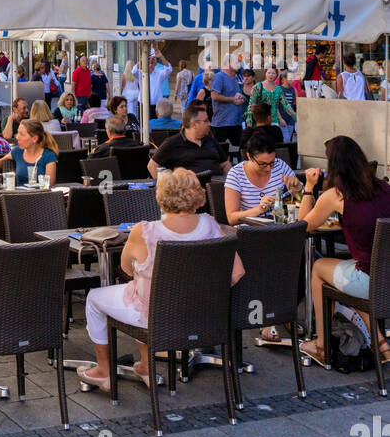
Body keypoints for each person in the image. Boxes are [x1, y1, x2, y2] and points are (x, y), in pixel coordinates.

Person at [77, 169, 243, 390]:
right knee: (139, 293)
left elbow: (126, 268)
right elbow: (237, 272)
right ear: (197, 194)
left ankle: (104, 370)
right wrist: (205, 292)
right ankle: (145, 365)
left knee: (98, 298)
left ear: (162, 196)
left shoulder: (145, 231)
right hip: (201, 313)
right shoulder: (211, 225)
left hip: (155, 314)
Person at [298, 135, 390, 368]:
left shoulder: (337, 195)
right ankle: (381, 343)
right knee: (353, 272)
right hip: (385, 276)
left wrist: (308, 187)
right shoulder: (385, 187)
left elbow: (301, 226)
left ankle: (320, 344)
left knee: (319, 267)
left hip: (369, 280)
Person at [224, 129, 301, 226]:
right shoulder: (236, 174)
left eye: (272, 162)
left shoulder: (280, 166)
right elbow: (231, 218)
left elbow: (300, 204)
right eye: (262, 164)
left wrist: (298, 188)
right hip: (251, 230)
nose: (268, 168)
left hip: (280, 226)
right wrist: (259, 209)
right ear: (249, 157)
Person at [148, 103, 233, 180]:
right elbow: (152, 166)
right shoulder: (173, 143)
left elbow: (225, 164)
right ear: (194, 124)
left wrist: (229, 183)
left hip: (215, 188)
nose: (209, 124)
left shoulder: (211, 141)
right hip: (189, 191)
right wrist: (167, 189)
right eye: (206, 120)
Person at [1, 119, 58, 186]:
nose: (17, 137)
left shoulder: (48, 155)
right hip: (18, 195)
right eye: (18, 133)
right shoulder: (17, 151)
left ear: (34, 139)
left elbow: (49, 184)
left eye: (22, 134)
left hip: (40, 195)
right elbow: (0, 162)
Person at [246, 66, 296, 132]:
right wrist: (249, 121)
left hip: (274, 121)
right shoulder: (258, 86)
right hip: (261, 121)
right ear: (265, 73)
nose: (271, 75)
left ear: (276, 75)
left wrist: (296, 117)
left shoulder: (278, 89)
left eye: (273, 73)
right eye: (269, 73)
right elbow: (251, 104)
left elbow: (286, 105)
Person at [210, 58, 246, 147]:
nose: (239, 64)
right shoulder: (219, 77)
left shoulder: (236, 78)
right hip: (222, 123)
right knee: (218, 151)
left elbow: (235, 96)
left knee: (241, 150)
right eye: (236, 62)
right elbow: (214, 96)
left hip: (236, 122)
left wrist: (241, 98)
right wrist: (233, 99)